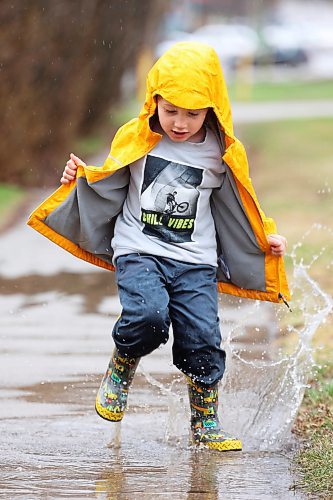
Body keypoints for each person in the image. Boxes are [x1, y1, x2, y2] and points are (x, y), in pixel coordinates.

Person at [28, 42, 289, 452]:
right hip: (139, 250)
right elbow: (104, 175)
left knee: (202, 339)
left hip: (195, 261)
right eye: (171, 111)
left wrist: (264, 237)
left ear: (212, 109)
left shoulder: (221, 154)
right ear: (154, 102)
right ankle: (122, 365)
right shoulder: (138, 138)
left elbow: (241, 203)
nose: (180, 123)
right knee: (147, 318)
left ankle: (205, 421)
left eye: (192, 113)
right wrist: (76, 177)